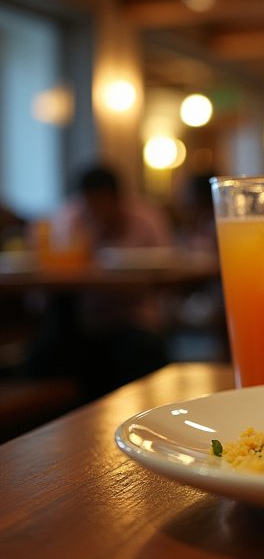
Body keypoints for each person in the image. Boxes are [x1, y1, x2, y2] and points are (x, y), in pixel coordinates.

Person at [26, 165, 172, 396]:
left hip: (132, 317)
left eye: (104, 202)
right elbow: (53, 266)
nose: (98, 209)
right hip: (82, 319)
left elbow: (166, 265)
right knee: (45, 353)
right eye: (91, 202)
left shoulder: (145, 217)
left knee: (139, 349)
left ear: (119, 198)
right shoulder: (71, 218)